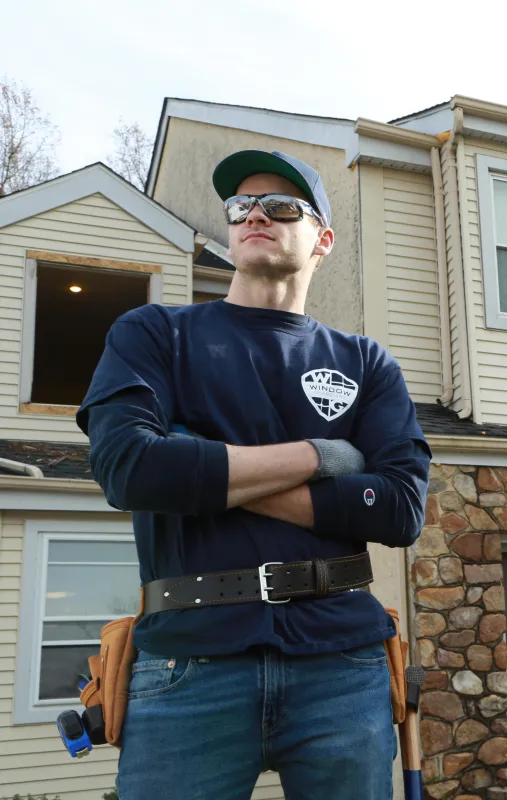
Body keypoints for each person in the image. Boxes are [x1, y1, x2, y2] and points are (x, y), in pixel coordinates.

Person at [76, 150, 431, 800]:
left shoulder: (366, 362)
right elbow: (129, 468)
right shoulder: (155, 335)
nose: (256, 215)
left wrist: (202, 468)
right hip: (189, 660)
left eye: (282, 206)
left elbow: (401, 509)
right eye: (242, 207)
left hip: (342, 661)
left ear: (322, 238)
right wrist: (324, 458)